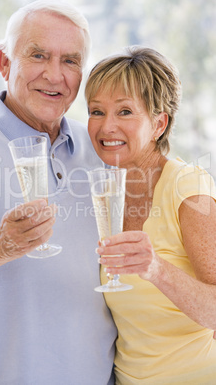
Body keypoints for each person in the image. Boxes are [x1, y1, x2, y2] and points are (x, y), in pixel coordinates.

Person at [0, 0, 117, 384]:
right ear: (4, 62)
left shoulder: (100, 149)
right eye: (39, 55)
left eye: (70, 61)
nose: (55, 76)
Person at [85, 45, 216, 384]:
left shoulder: (188, 187)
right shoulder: (107, 189)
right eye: (96, 111)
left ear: (159, 123)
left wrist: (155, 268)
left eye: (125, 112)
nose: (106, 126)